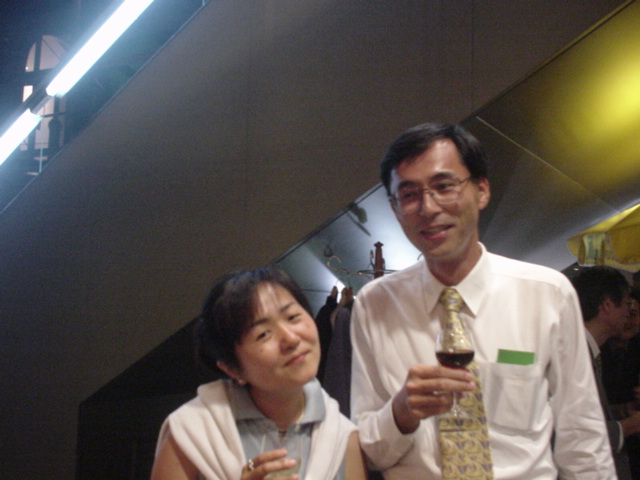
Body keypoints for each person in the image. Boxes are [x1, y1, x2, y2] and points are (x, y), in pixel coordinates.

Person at [349, 122, 615, 479]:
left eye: (444, 187)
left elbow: (583, 437)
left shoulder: (547, 294)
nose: (428, 207)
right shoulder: (375, 305)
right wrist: (401, 413)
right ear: (395, 208)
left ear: (482, 191)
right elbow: (369, 453)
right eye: (409, 195)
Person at [151, 266, 368, 480]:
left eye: (293, 317)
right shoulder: (192, 432)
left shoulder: (341, 435)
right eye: (263, 334)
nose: (291, 339)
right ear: (232, 368)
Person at [571, 268, 640, 480]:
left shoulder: (586, 350)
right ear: (607, 305)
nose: (628, 313)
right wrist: (629, 426)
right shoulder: (573, 355)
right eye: (626, 304)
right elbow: (573, 433)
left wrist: (626, 410)